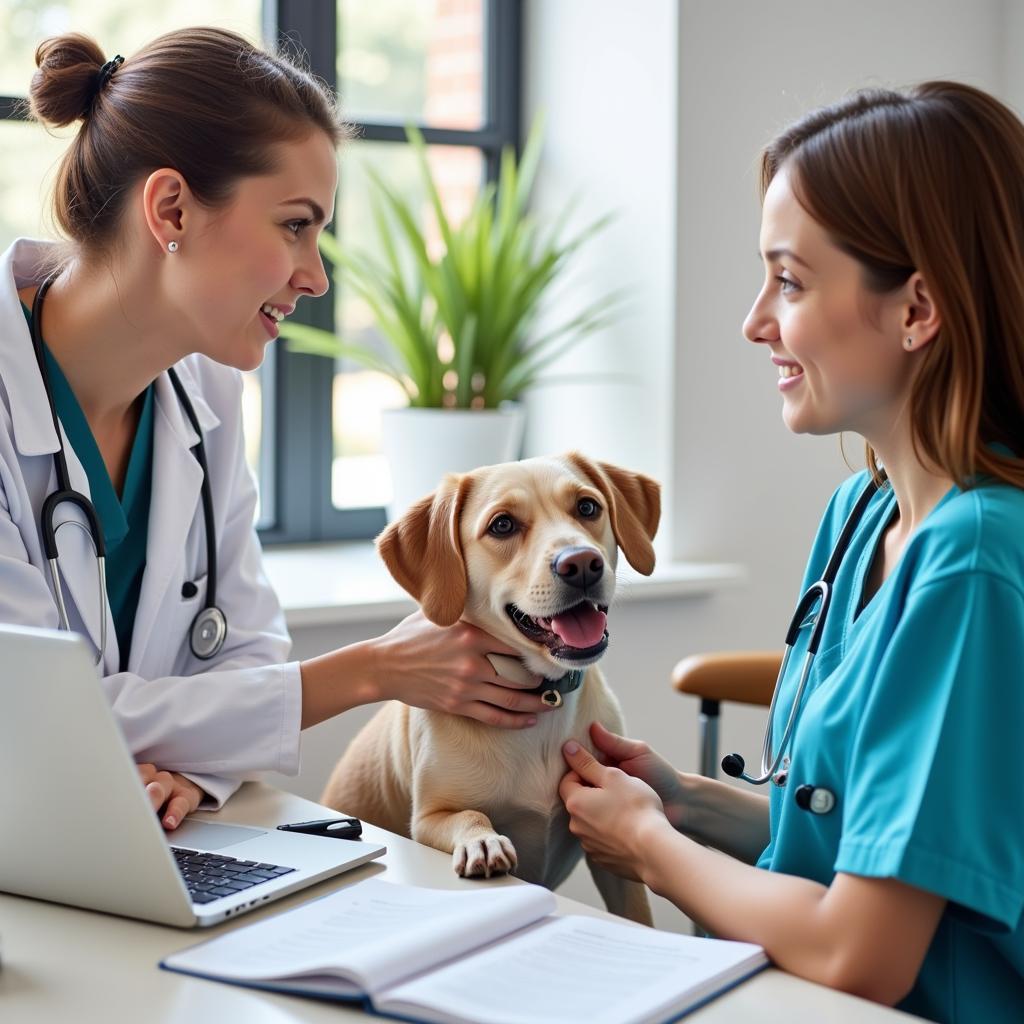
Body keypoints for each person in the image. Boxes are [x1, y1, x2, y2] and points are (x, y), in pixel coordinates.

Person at [0, 28, 553, 833]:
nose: (317, 275)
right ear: (172, 209)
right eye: (295, 225)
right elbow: (32, 712)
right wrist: (374, 670)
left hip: (139, 842)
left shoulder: (204, 390)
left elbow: (246, 653)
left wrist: (188, 773)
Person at [559, 80, 1024, 1022]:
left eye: (791, 280)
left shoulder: (974, 561)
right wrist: (681, 802)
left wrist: (651, 848)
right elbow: (855, 832)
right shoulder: (862, 514)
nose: (756, 320)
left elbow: (863, 953)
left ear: (917, 309)